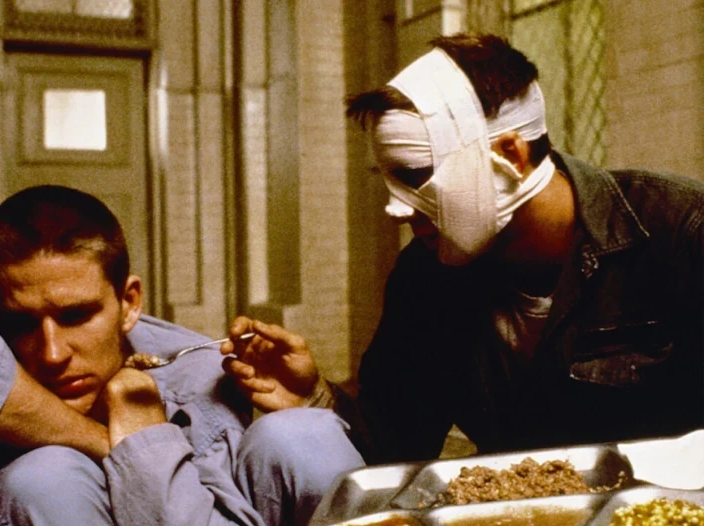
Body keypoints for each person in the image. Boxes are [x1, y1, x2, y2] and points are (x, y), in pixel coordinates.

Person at [222, 33, 704, 465]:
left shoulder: (680, 232)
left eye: (415, 175)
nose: (396, 209)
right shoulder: (425, 275)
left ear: (510, 155)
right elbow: (394, 443)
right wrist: (315, 397)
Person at [0, 185, 363, 526]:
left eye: (76, 316)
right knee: (44, 477)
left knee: (303, 433)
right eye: (19, 322)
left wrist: (316, 399)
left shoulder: (197, 373)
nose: (52, 353)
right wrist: (109, 442)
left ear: (129, 303)